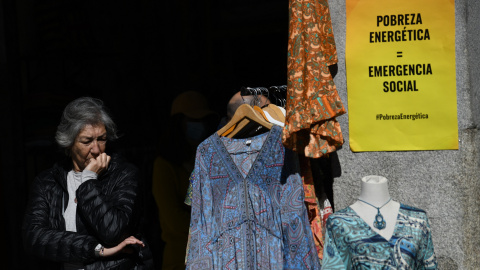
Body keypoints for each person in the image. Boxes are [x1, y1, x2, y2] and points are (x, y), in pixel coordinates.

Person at [22, 97, 152, 270]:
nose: (97, 149)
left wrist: (88, 180)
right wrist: (96, 249)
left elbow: (114, 233)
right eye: (86, 141)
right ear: (68, 143)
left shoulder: (124, 174)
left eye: (102, 139)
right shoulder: (47, 183)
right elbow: (35, 237)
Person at [152, 91, 219, 270]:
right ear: (178, 124)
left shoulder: (209, 161)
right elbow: (174, 221)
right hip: (180, 259)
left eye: (202, 121)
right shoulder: (164, 166)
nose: (199, 126)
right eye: (192, 121)